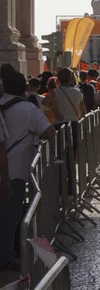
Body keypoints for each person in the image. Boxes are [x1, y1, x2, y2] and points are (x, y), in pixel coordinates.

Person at [0, 70, 55, 271]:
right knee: (10, 215)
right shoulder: (28, 109)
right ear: (24, 88)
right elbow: (49, 132)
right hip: (14, 170)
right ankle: (5, 256)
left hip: (7, 167)